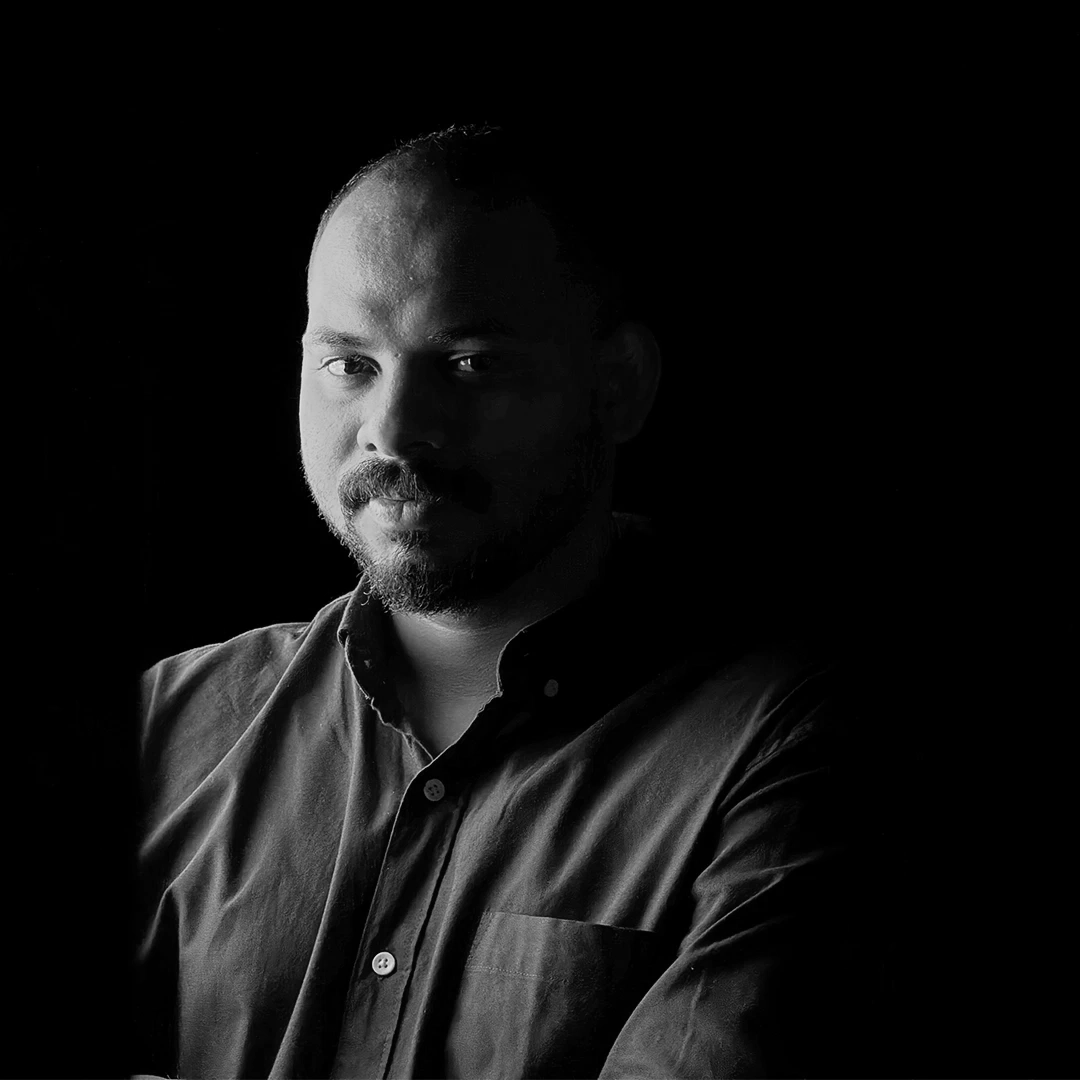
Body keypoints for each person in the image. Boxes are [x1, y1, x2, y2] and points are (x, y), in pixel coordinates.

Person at [134, 123, 882, 1078]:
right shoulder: (169, 725)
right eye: (349, 364)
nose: (394, 429)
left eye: (469, 362)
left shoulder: (787, 744)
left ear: (619, 386)